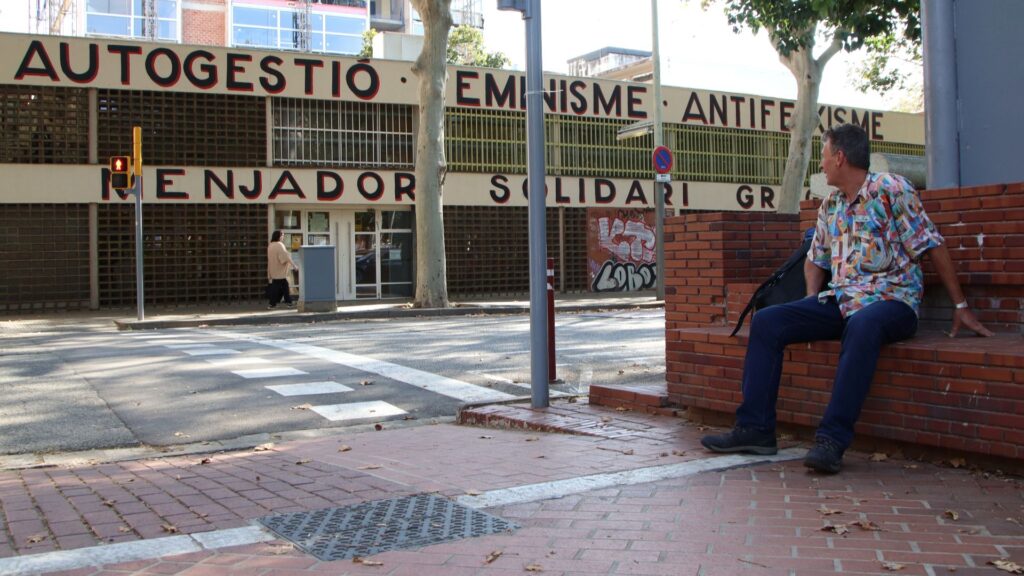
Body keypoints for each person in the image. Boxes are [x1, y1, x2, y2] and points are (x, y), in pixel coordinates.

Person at [701, 123, 993, 474]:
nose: (821, 164)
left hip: (892, 302)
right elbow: (816, 259)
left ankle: (832, 440)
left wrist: (960, 306)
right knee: (768, 321)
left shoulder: (892, 189)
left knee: (862, 325)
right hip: (841, 300)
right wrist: (811, 300)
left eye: (824, 156)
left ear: (839, 157)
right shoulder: (831, 205)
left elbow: (931, 243)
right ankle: (755, 429)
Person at [267, 230, 297, 309]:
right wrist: (294, 265)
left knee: (283, 286)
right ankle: (273, 304)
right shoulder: (280, 245)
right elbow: (286, 257)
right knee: (279, 287)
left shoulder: (270, 245)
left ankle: (287, 302)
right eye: (282, 235)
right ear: (278, 236)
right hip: (280, 271)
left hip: (273, 269)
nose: (283, 237)